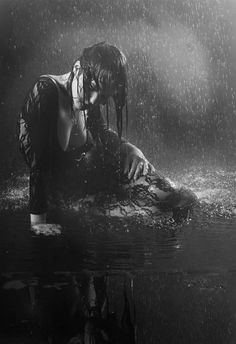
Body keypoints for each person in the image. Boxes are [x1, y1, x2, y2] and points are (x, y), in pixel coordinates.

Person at [18, 42, 196, 228]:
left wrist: (129, 149)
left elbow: (102, 132)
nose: (94, 100)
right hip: (67, 192)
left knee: (180, 197)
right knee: (155, 211)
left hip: (93, 175)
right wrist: (37, 223)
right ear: (78, 69)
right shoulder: (45, 92)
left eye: (103, 97)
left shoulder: (86, 98)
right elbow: (39, 162)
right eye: (92, 87)